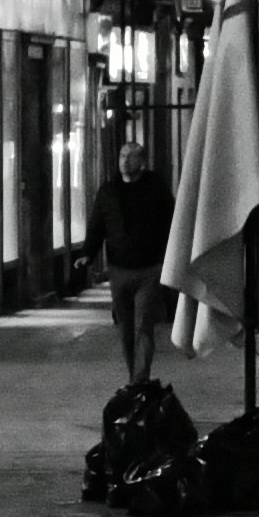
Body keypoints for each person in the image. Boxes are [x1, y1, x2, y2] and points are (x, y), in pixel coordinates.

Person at [92, 108, 176, 380]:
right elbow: (98, 225)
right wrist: (86, 254)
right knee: (125, 330)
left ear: (143, 161)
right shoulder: (109, 191)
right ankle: (133, 379)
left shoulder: (156, 189)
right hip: (118, 270)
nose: (125, 160)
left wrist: (168, 257)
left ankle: (140, 381)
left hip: (148, 269)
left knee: (143, 326)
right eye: (122, 155)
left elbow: (170, 222)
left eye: (131, 156)